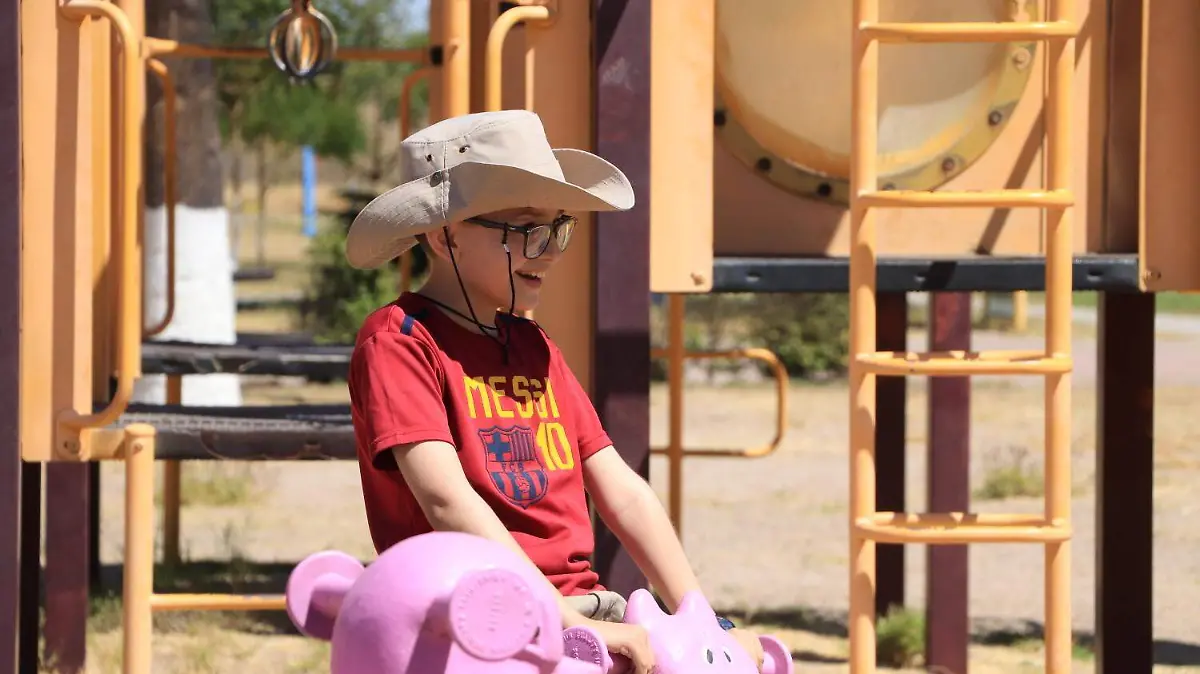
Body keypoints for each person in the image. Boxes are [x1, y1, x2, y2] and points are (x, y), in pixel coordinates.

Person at [344, 110, 766, 674]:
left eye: (557, 228)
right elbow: (446, 500)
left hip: (583, 609)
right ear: (446, 237)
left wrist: (703, 621)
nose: (550, 250)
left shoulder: (534, 344)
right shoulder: (399, 342)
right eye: (526, 230)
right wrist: (562, 620)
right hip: (470, 620)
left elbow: (622, 491)